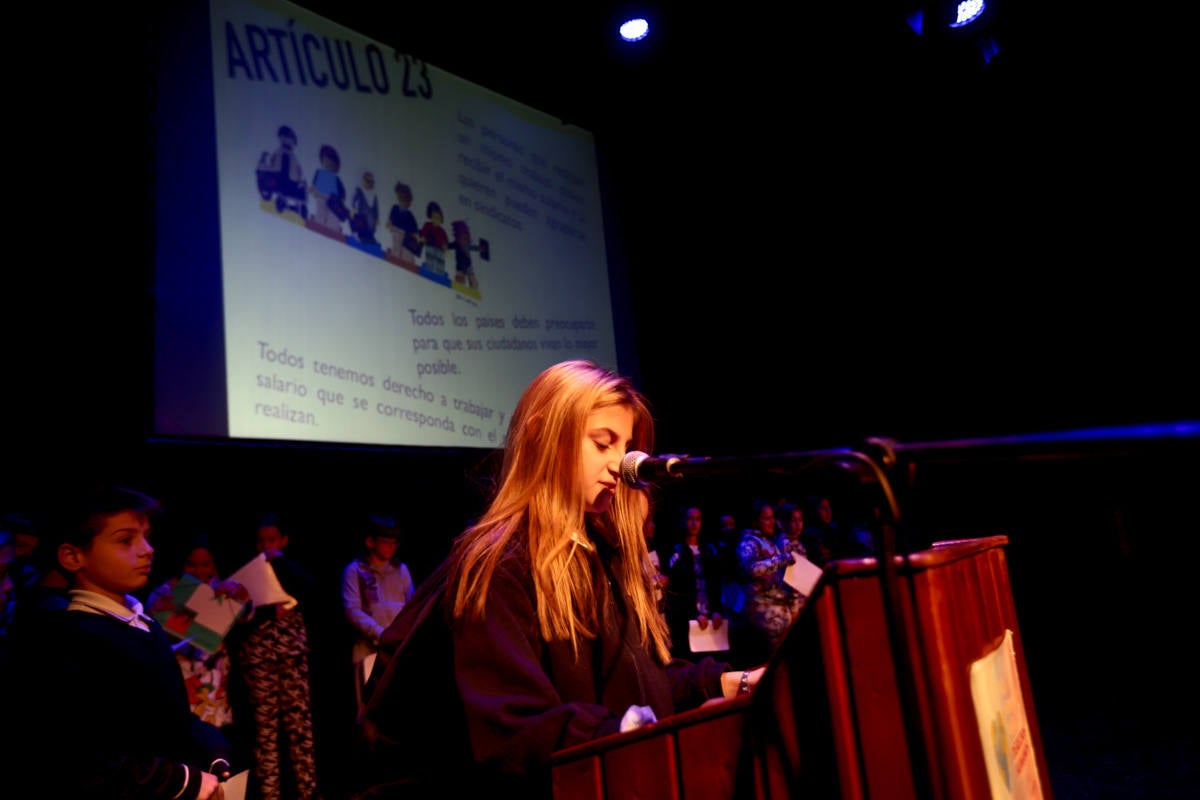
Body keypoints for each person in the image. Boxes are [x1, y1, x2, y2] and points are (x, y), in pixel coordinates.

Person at [359, 359, 764, 799]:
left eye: (625, 445)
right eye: (602, 443)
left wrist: (730, 683)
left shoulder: (602, 558)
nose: (621, 464)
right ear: (541, 436)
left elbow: (636, 684)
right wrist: (625, 733)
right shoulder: (499, 564)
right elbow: (513, 726)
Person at [6, 484, 232, 799]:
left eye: (147, 537)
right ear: (73, 556)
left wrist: (209, 747)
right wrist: (179, 779)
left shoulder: (143, 621)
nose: (147, 549)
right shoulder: (68, 637)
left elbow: (169, 715)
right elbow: (76, 757)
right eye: (126, 540)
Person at [233, 512, 323, 800]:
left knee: (300, 729)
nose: (265, 546)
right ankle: (270, 794)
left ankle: (308, 791)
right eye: (261, 541)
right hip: (259, 657)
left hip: (291, 654)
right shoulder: (246, 575)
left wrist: (280, 560)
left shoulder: (292, 569)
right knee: (265, 733)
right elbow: (236, 615)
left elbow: (312, 589)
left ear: (283, 540)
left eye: (271, 540)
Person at [147, 535, 254, 763]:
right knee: (186, 748)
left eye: (205, 564)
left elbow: (248, 615)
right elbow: (155, 626)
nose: (198, 570)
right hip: (182, 682)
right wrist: (177, 606)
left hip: (215, 687)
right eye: (191, 564)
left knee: (218, 749)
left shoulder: (221, 590)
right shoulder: (167, 591)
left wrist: (241, 597)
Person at [341, 513, 415, 719]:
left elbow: (411, 607)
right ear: (370, 542)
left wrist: (400, 637)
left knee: (396, 711)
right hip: (368, 651)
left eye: (394, 543)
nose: (391, 547)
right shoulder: (355, 571)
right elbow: (352, 610)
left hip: (396, 652)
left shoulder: (401, 571)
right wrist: (381, 635)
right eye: (385, 542)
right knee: (368, 711)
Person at [737, 499, 802, 663]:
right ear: (756, 520)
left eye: (773, 517)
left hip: (781, 610)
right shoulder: (749, 542)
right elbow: (751, 568)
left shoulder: (774, 541)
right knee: (772, 661)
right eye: (767, 518)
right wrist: (780, 560)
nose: (772, 522)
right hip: (762, 611)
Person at [664, 505, 730, 660]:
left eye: (698, 519)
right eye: (690, 519)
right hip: (687, 621)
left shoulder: (709, 551)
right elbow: (676, 590)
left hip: (711, 618)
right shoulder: (676, 552)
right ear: (683, 522)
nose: (694, 523)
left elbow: (716, 585)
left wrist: (717, 610)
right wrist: (694, 614)